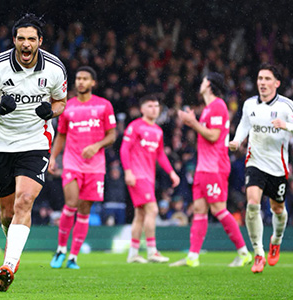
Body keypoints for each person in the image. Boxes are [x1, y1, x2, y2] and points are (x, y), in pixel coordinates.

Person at [0, 13, 67, 292]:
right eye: (21, 38)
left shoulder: (54, 68)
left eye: (32, 39)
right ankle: (12, 252)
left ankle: (9, 264)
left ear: (40, 41)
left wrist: (50, 111)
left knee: (24, 201)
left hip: (35, 141)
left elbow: (62, 101)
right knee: (7, 213)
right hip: (2, 142)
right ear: (14, 41)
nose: (26, 44)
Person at [229, 64, 293, 273]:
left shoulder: (286, 105)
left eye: (267, 79)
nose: (262, 83)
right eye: (259, 78)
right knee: (252, 203)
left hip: (278, 167)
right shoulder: (249, 104)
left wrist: (287, 126)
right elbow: (244, 125)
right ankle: (258, 253)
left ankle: (276, 239)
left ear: (277, 83)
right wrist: (237, 141)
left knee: (278, 210)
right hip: (255, 162)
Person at [170, 73, 252, 268]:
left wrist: (192, 122)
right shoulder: (208, 108)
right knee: (199, 210)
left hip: (214, 166)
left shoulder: (217, 106)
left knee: (218, 209)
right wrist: (193, 120)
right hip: (203, 166)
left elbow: (214, 136)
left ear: (209, 84)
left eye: (203, 80)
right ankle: (192, 256)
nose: (200, 83)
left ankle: (243, 253)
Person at [49, 66, 116, 269]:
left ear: (93, 83)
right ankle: (61, 249)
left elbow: (112, 135)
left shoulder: (104, 106)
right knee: (71, 203)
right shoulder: (67, 107)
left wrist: (96, 146)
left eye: (85, 78)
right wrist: (53, 157)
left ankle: (73, 257)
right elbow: (61, 135)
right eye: (78, 78)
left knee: (85, 210)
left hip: (95, 167)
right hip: (72, 162)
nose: (80, 82)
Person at [120, 95, 180, 264]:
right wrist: (128, 172)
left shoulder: (158, 131)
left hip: (149, 177)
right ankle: (152, 251)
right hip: (138, 176)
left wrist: (171, 173)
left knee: (140, 215)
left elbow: (160, 155)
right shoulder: (135, 126)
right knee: (152, 210)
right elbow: (125, 149)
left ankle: (133, 253)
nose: (154, 108)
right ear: (142, 109)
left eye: (156, 106)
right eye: (150, 105)